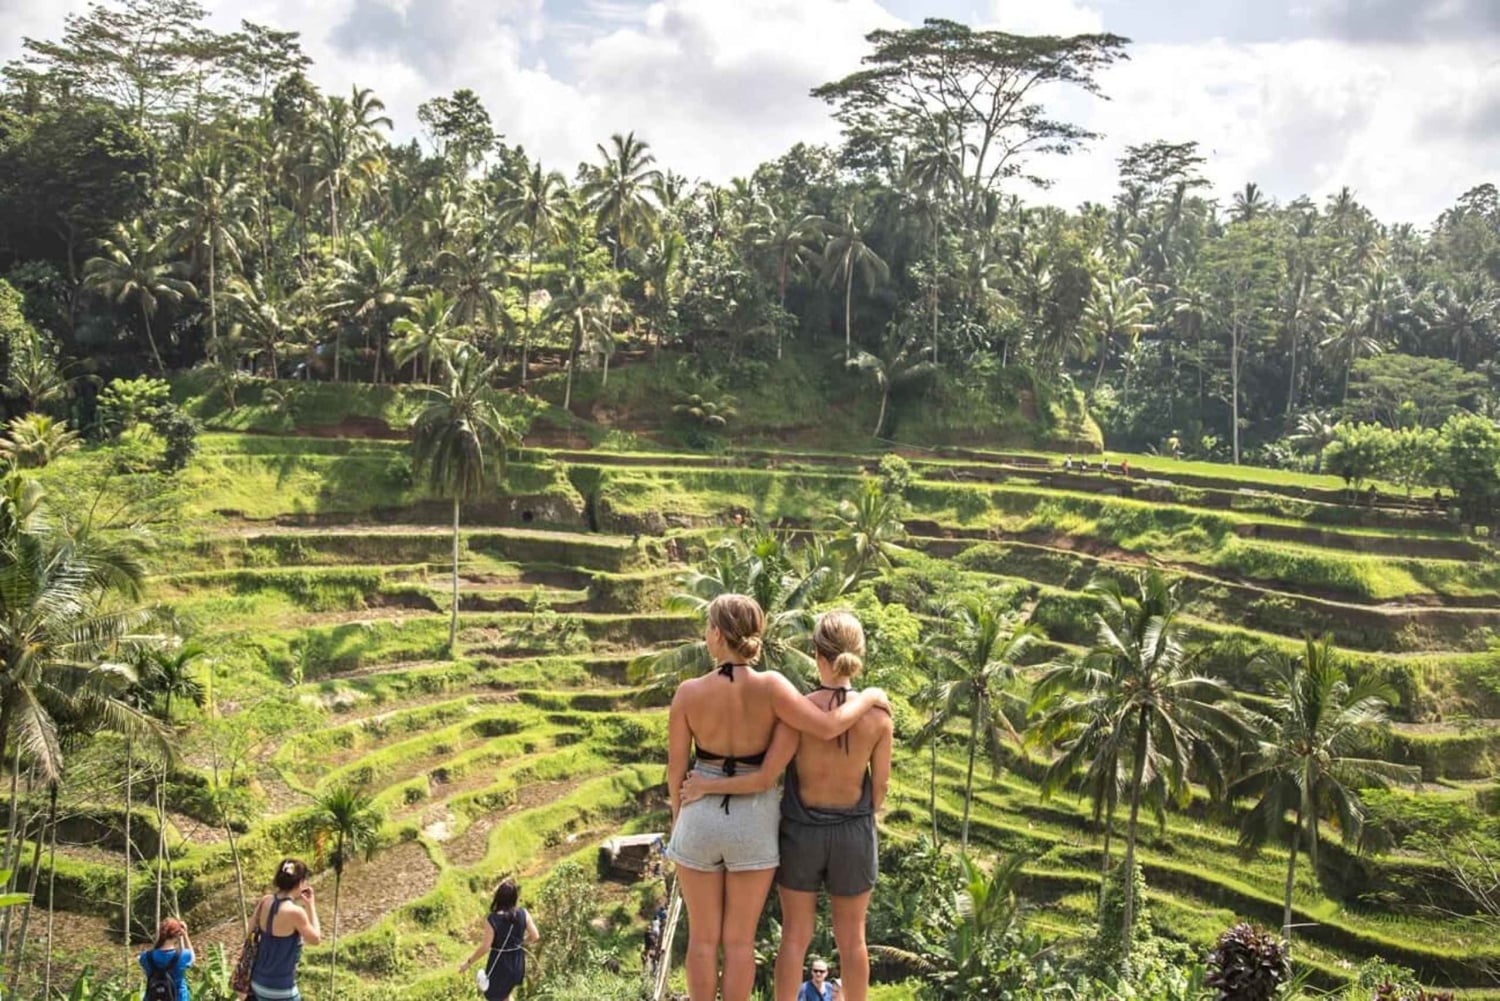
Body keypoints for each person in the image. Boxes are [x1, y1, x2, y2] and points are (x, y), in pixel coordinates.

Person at [666, 595, 889, 1001]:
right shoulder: (774, 688)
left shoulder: (687, 692)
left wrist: (681, 818)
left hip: (708, 815)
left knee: (706, 940)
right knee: (742, 942)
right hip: (767, 821)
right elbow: (831, 735)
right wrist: (870, 697)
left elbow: (675, 771)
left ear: (716, 634)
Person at [248, 859, 321, 1001]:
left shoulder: (264, 902)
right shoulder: (295, 912)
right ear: (300, 883)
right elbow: (315, 939)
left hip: (257, 982)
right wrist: (311, 906)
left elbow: (249, 931)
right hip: (281, 988)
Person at [459, 878, 539, 1001]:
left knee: (494, 996)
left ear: (498, 898)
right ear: (514, 898)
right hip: (518, 963)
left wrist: (467, 963)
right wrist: (520, 943)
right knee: (506, 995)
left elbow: (485, 947)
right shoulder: (524, 913)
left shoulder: (492, 919)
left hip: (501, 965)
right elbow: (535, 936)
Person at [139, 918, 193, 1001]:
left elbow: (152, 951)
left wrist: (159, 940)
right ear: (178, 934)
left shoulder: (146, 956)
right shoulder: (183, 955)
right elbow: (192, 958)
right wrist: (185, 935)